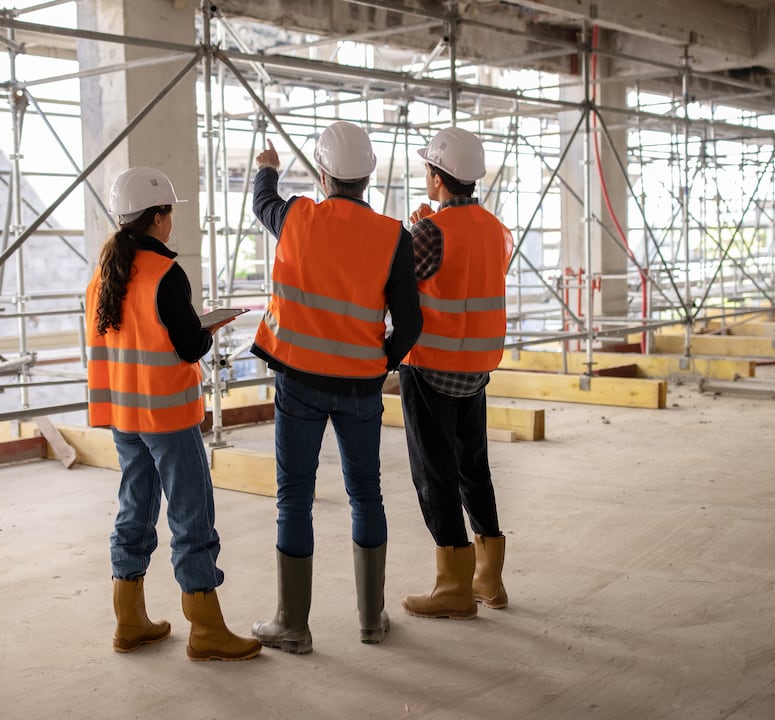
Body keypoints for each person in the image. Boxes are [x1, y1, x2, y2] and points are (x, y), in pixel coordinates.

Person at [248, 121, 423, 653]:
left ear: (323, 174)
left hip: (298, 382)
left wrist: (267, 165)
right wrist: (380, 361)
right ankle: (372, 621)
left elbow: (262, 200)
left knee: (294, 500)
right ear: (369, 175)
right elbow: (410, 324)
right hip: (361, 388)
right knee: (365, 494)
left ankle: (293, 626)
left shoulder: (296, 216)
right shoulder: (394, 237)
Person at [86, 166, 260, 662]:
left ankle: (130, 619)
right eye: (170, 212)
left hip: (123, 414)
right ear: (158, 216)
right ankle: (205, 628)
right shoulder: (166, 273)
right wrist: (209, 329)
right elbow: (188, 346)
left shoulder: (103, 274)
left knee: (133, 511)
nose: (171, 221)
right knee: (192, 519)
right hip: (166, 414)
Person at [400, 127, 513, 620]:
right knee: (474, 469)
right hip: (476, 366)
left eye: (428, 169)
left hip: (431, 366)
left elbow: (402, 280)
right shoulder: (493, 227)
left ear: (438, 177)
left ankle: (453, 586)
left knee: (435, 474)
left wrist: (414, 230)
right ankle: (490, 579)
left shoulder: (429, 230)